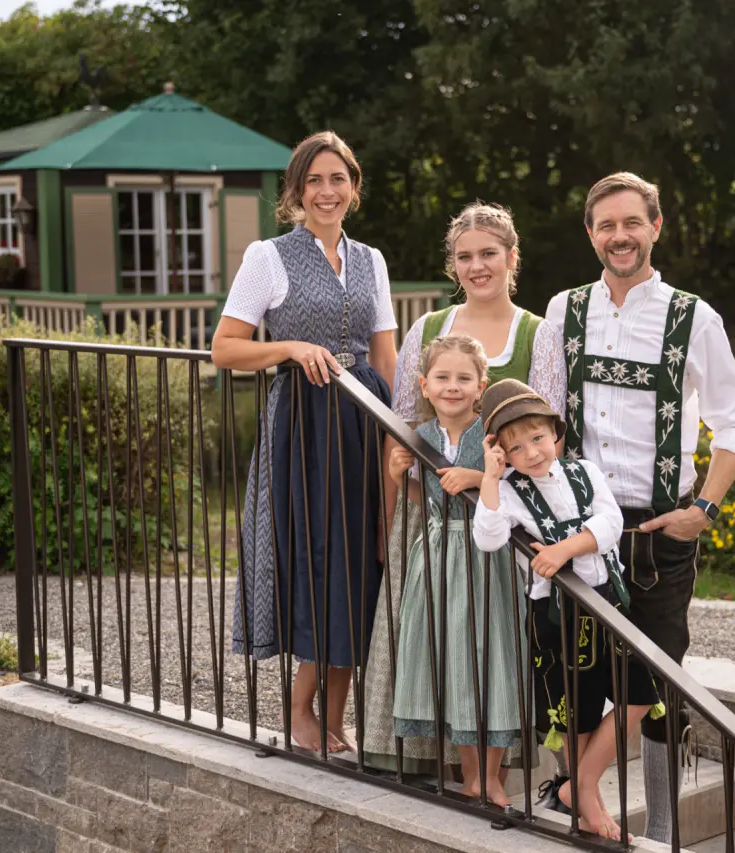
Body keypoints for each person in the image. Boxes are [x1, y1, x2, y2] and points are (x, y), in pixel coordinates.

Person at [544, 172, 735, 844]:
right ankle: (581, 805)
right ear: (590, 233)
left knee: (656, 683)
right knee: (574, 675)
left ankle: (658, 831)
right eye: (606, 225)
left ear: (655, 227)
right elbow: (541, 410)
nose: (619, 236)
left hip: (657, 534)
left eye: (631, 222)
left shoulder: (694, 317)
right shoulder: (563, 310)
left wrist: (706, 509)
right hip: (577, 531)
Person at [212, 131, 398, 754]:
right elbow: (226, 349)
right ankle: (300, 711)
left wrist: (399, 437)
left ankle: (335, 718)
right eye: (313, 181)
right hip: (306, 428)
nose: (326, 192)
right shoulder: (268, 256)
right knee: (322, 565)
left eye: (337, 179)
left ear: (353, 187)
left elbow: (386, 355)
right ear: (296, 190)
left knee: (362, 566)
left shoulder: (371, 259)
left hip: (366, 421)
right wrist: (289, 347)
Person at [361, 202, 563, 773]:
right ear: (454, 264)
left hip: (503, 525)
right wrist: (387, 519)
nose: (477, 266)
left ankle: (492, 769)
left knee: (488, 644)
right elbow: (399, 433)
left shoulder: (538, 335)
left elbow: (549, 445)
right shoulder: (428, 329)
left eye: (488, 254)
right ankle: (432, 761)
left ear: (511, 258)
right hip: (425, 522)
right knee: (427, 638)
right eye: (465, 256)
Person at [472, 378, 656, 841]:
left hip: (607, 602)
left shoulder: (584, 472)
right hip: (557, 618)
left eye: (538, 438)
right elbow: (489, 538)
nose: (532, 452)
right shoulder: (509, 489)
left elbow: (611, 521)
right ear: (502, 453)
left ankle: (582, 784)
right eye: (516, 447)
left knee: (640, 694)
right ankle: (590, 806)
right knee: (578, 713)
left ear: (554, 432)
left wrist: (565, 549)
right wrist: (490, 477)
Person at [385, 335, 523, 806]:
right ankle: (470, 776)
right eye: (442, 378)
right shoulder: (419, 437)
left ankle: (495, 775)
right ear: (425, 385)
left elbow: (519, 488)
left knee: (493, 658)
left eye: (463, 378)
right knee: (455, 663)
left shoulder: (492, 434)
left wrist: (482, 477)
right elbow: (419, 499)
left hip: (488, 558)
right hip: (439, 555)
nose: (452, 387)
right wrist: (398, 472)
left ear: (480, 385)